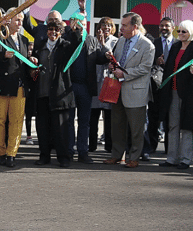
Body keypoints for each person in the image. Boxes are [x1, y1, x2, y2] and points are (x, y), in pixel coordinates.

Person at [103, 12, 155, 169]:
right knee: (117, 125)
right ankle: (116, 155)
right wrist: (112, 66)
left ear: (135, 26)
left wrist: (124, 74)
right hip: (117, 90)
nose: (121, 28)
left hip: (135, 91)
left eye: (125, 25)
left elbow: (145, 68)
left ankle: (134, 157)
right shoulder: (120, 41)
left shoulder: (147, 45)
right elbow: (118, 62)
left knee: (136, 128)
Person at [31, 19, 82, 167]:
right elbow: (32, 64)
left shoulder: (65, 46)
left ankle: (64, 157)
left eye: (57, 30)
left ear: (61, 32)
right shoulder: (40, 46)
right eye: (50, 29)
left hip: (60, 94)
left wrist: (76, 31)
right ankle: (44, 156)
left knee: (61, 129)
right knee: (42, 128)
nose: (53, 32)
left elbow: (77, 44)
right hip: (42, 93)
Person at [157, 20, 193, 170]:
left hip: (189, 94)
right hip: (172, 91)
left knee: (186, 127)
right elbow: (170, 68)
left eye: (184, 31)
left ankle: (185, 159)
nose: (180, 34)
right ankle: (171, 158)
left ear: (191, 32)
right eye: (179, 31)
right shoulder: (176, 46)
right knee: (172, 126)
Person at [0, 9, 30, 167]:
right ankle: (1, 152)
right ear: (9, 20)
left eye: (21, 20)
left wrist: (31, 60)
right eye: (17, 20)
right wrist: (3, 55)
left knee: (16, 121)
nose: (20, 23)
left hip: (19, 86)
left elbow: (24, 63)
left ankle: (12, 153)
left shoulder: (25, 40)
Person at [65, 13, 108, 164]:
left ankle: (83, 152)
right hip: (68, 86)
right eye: (77, 22)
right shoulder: (66, 37)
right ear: (71, 23)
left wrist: (105, 51)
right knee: (68, 121)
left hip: (85, 86)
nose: (80, 25)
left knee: (84, 121)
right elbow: (68, 48)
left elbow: (99, 58)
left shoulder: (91, 39)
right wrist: (74, 33)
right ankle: (68, 151)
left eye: (82, 22)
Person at [144, 17, 175, 160]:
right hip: (155, 86)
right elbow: (146, 63)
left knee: (170, 119)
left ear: (172, 28)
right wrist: (155, 62)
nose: (164, 28)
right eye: (161, 26)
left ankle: (170, 149)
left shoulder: (178, 43)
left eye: (167, 26)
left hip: (172, 87)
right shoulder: (153, 43)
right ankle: (151, 147)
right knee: (153, 118)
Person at [89, 17, 118, 152]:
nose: (106, 28)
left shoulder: (116, 41)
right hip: (95, 82)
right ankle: (92, 145)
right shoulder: (92, 40)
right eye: (103, 25)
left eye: (109, 25)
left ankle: (109, 146)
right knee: (93, 117)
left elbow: (112, 57)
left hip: (108, 82)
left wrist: (103, 44)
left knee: (109, 117)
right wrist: (99, 42)